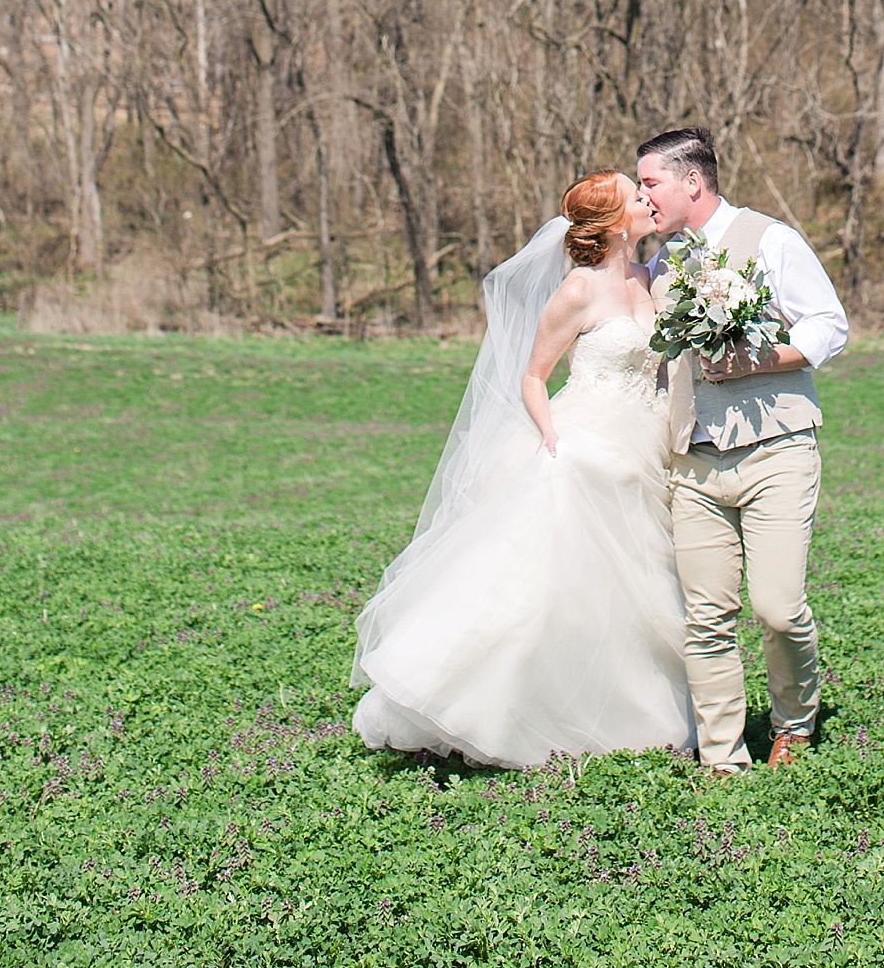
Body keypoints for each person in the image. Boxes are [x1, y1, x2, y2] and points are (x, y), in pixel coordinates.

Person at [349, 172, 694, 768]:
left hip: (647, 443)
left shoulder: (653, 279)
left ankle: (630, 712)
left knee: (637, 589)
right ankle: (492, 706)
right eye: (635, 196)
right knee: (550, 587)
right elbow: (534, 375)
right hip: (585, 446)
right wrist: (553, 436)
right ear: (615, 223)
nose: (647, 200)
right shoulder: (579, 291)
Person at [636, 124, 849, 774]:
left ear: (690, 182)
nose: (643, 197)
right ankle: (722, 758)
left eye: (650, 183)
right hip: (693, 461)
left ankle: (794, 719)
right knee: (705, 619)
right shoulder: (658, 263)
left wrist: (752, 360)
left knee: (777, 609)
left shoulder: (770, 239)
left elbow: (827, 327)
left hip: (776, 449)